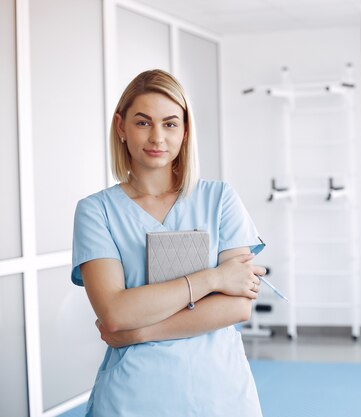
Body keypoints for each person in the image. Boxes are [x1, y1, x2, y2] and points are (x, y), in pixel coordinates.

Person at [71, 69, 267, 417]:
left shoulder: (219, 198)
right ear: (121, 127)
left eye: (170, 123)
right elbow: (115, 314)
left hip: (218, 395)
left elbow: (237, 308)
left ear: (186, 129)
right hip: (133, 396)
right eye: (143, 122)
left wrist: (140, 332)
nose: (157, 137)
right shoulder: (95, 211)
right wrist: (213, 279)